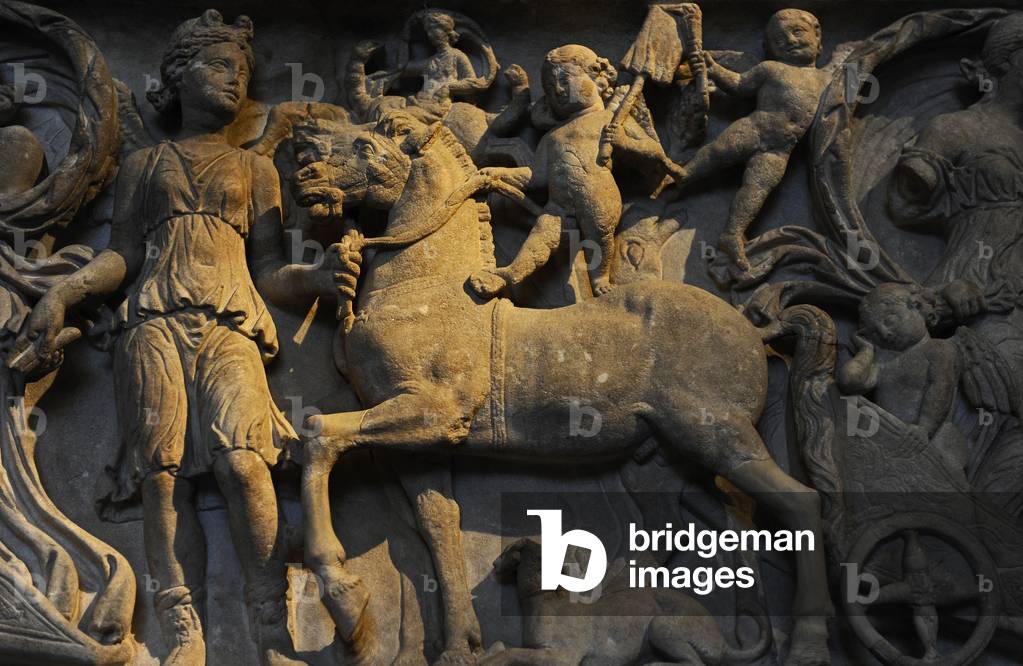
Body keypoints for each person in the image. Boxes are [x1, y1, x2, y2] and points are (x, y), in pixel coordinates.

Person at [6, 10, 334, 665]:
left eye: (241, 71)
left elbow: (269, 271)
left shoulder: (255, 169)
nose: (233, 81)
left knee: (245, 463)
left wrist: (319, 276)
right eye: (219, 66)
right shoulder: (145, 164)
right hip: (151, 325)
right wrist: (65, 288)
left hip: (231, 321)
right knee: (160, 479)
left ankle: (272, 626)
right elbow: (122, 253)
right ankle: (181, 628)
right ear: (179, 77)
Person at [470, 44, 684, 297]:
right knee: (542, 234)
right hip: (558, 205)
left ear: (596, 77)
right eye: (550, 87)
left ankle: (600, 278)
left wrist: (624, 142)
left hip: (598, 197)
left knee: (600, 236)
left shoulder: (608, 121)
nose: (558, 90)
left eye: (565, 79)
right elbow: (537, 178)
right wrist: (497, 173)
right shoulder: (552, 136)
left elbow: (653, 150)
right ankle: (510, 274)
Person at [674, 9, 831, 273]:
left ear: (818, 38)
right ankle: (681, 175)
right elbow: (738, 84)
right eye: (780, 40)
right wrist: (713, 69)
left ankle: (732, 233)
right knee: (716, 153)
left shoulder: (827, 81)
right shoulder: (772, 69)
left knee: (758, 188)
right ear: (770, 49)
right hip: (755, 129)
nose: (790, 41)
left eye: (798, 33)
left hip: (780, 150)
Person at [837, 283, 966, 467]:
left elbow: (940, 387)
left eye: (889, 320)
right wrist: (866, 349)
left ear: (915, 306)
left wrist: (924, 428)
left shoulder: (937, 349)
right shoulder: (884, 364)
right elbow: (849, 381)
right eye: (874, 331)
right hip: (892, 446)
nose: (884, 332)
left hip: (931, 442)